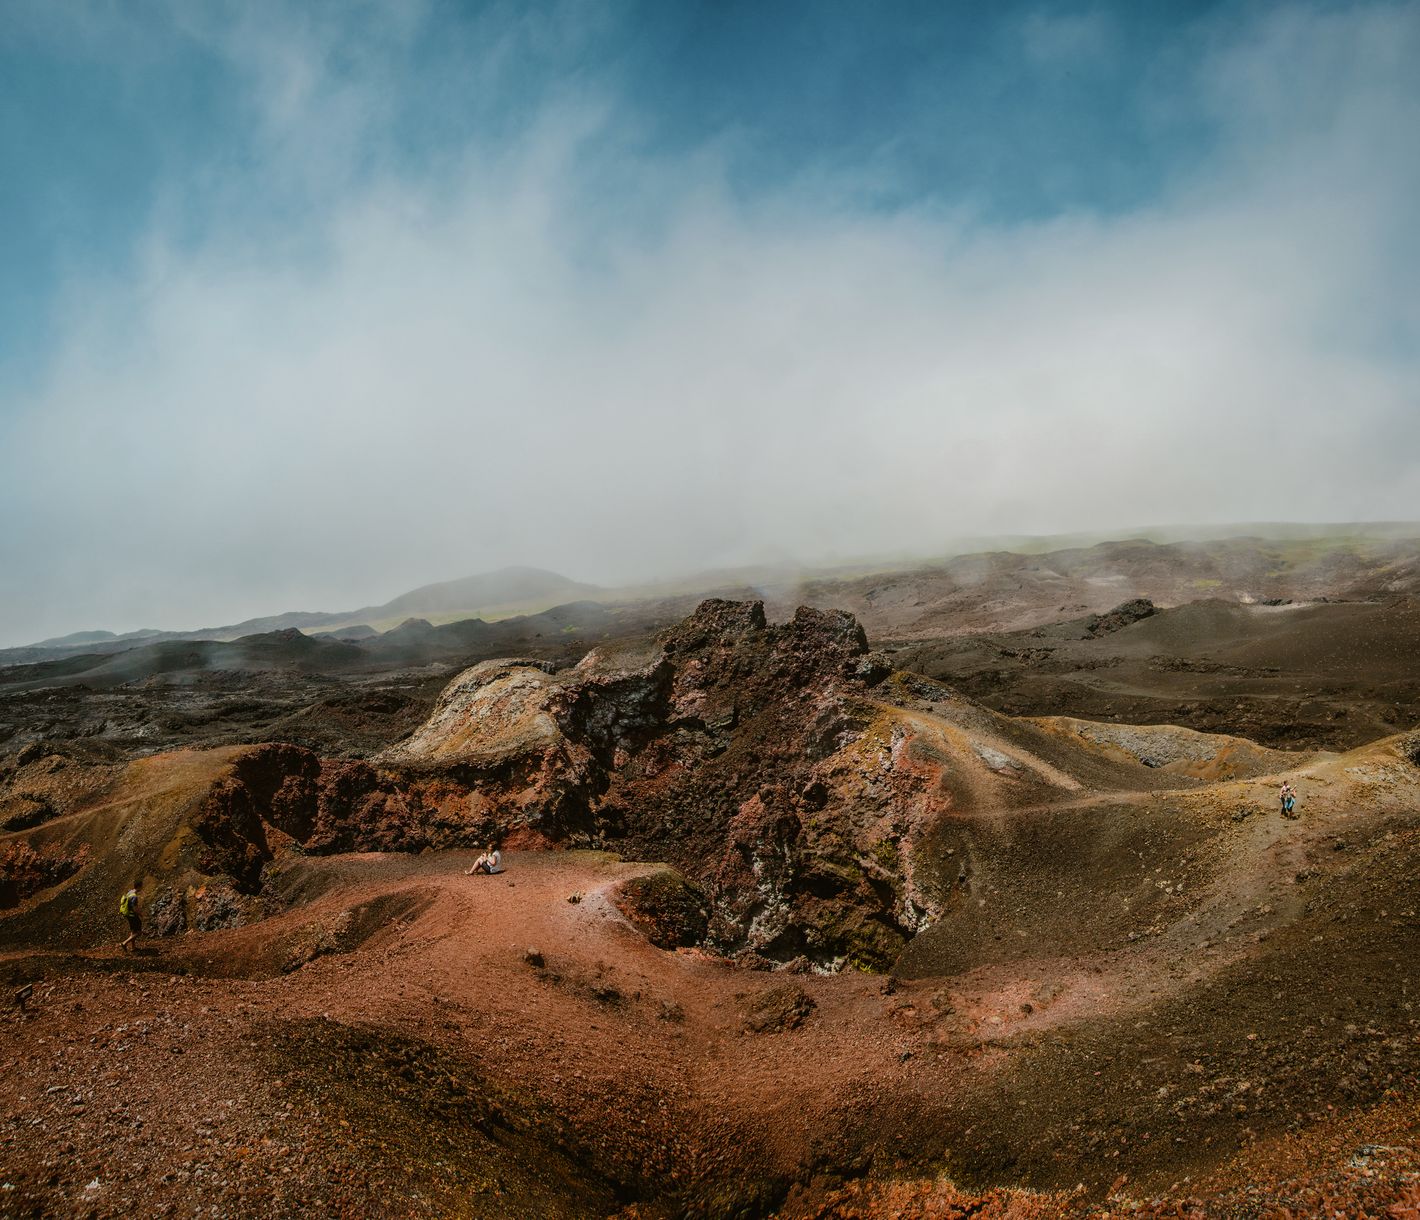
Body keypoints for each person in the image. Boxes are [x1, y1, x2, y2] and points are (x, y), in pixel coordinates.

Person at [119, 884, 141, 952]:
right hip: (133, 916)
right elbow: (134, 908)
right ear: (139, 886)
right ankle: (124, 943)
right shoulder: (134, 896)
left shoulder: (129, 892)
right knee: (139, 932)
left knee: (133, 931)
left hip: (128, 914)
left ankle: (133, 947)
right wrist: (140, 914)